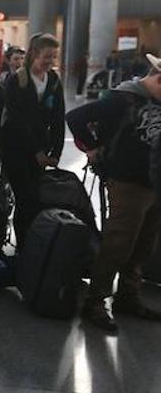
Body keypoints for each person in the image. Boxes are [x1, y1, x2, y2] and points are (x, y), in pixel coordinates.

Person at [67, 53, 161, 333]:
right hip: (126, 181)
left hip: (154, 182)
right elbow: (76, 117)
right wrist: (92, 148)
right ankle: (96, 300)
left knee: (144, 242)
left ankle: (128, 296)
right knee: (118, 242)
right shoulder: (123, 98)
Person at [0, 33, 65, 249]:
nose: (50, 61)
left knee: (37, 200)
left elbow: (58, 117)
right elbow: (18, 121)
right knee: (25, 200)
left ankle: (34, 246)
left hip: (41, 152)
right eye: (47, 56)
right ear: (34, 54)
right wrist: (36, 151)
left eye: (54, 57)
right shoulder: (17, 81)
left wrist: (56, 152)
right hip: (17, 150)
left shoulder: (54, 81)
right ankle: (24, 248)